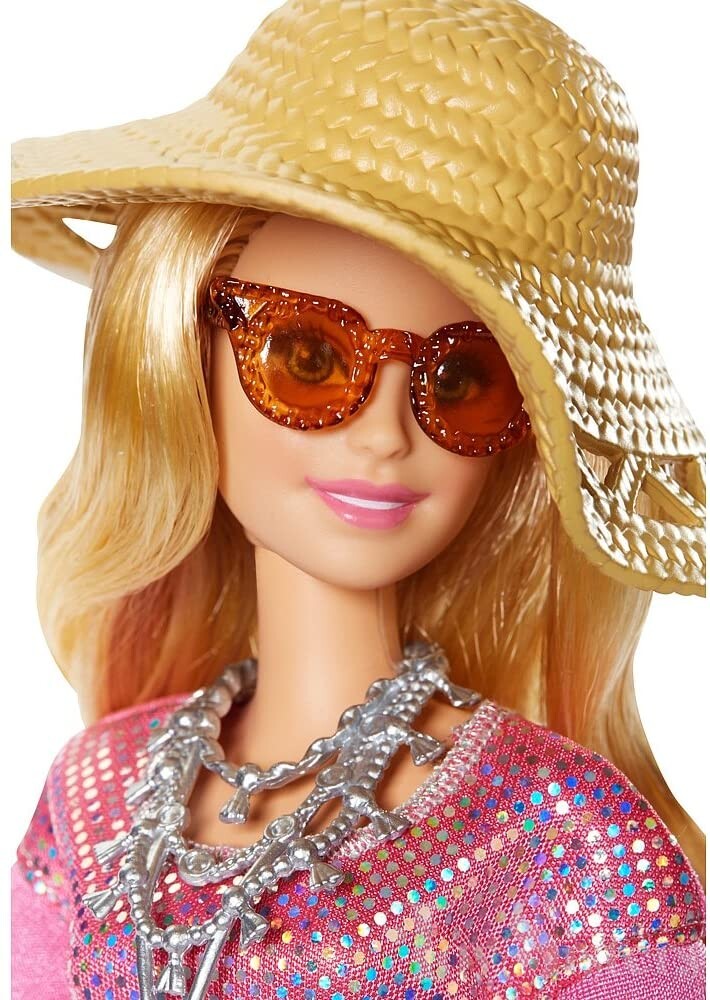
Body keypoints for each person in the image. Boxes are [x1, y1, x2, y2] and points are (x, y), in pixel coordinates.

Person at [10, 1, 705, 997]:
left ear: (522, 430)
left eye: (459, 382)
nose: (383, 434)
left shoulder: (571, 847)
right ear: (183, 357)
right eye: (308, 357)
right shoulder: (92, 795)